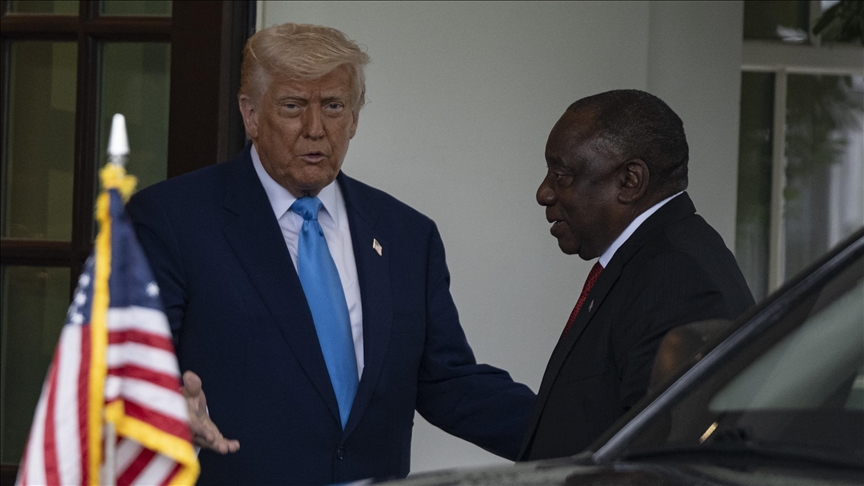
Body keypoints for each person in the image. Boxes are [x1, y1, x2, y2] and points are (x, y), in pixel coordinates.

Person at [126, 23, 535, 485]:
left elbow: (447, 381)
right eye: (293, 106)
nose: (315, 129)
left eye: (334, 106)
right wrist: (162, 402)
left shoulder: (406, 235)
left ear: (355, 118)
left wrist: (588, 435)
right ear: (251, 114)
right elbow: (124, 361)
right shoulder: (172, 220)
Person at [518, 90, 754, 461]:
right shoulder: (654, 258)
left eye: (561, 175)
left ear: (630, 181)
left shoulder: (678, 276)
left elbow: (654, 460)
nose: (543, 193)